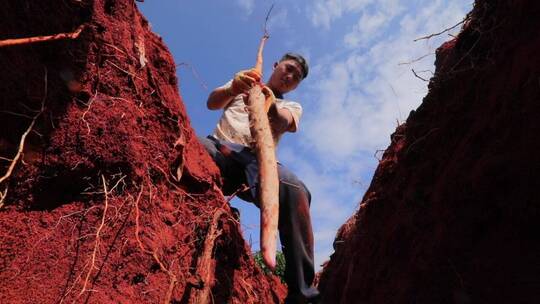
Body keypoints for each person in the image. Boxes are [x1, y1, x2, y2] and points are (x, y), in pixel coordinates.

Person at [200, 53, 319, 303]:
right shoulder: (243, 82)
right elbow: (212, 102)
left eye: (296, 77)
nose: (289, 76)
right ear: (275, 66)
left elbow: (284, 121)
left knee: (295, 189)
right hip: (220, 149)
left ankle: (302, 293)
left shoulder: (291, 106)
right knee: (193, 146)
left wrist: (270, 104)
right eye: (288, 69)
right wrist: (234, 87)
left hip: (258, 163)